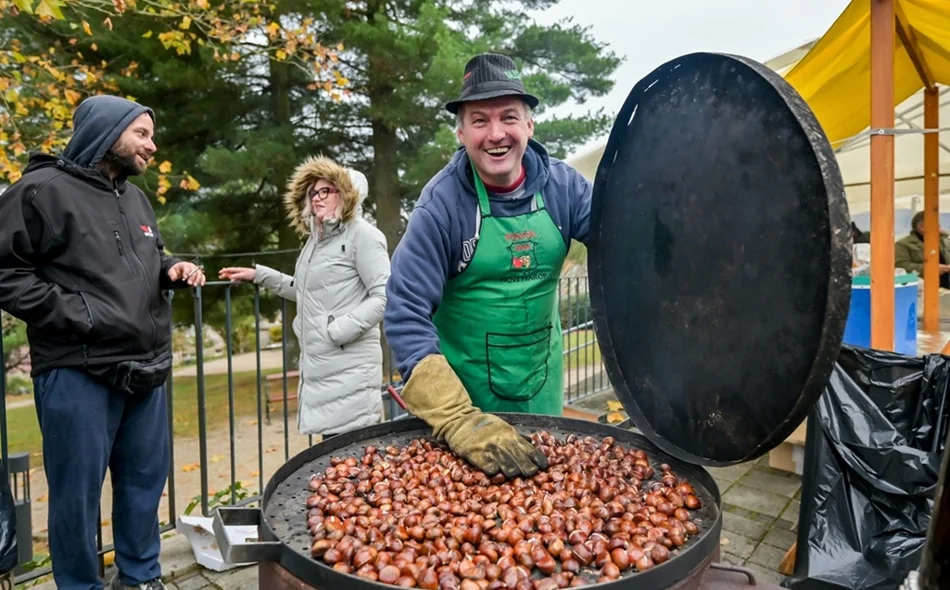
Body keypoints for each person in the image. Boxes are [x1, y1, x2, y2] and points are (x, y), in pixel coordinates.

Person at [0, 95, 205, 590]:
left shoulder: (135, 198)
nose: (151, 146)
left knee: (142, 486)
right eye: (141, 134)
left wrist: (170, 269)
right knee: (76, 497)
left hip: (145, 368)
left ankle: (139, 578)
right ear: (105, 131)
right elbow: (7, 274)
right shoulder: (38, 192)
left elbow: (143, 262)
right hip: (77, 371)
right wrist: (82, 313)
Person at [384, 53, 592, 479]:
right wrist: (460, 421)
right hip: (464, 417)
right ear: (461, 133)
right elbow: (404, 312)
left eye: (509, 118)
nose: (496, 134)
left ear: (529, 125)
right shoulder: (441, 206)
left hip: (542, 392)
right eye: (479, 121)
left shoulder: (565, 187)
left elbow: (627, 248)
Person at [219, 156, 390, 436]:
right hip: (322, 367)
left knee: (353, 457)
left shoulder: (363, 236)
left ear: (345, 194)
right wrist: (259, 275)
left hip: (350, 364)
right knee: (334, 460)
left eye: (325, 191)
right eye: (312, 193)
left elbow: (385, 295)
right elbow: (305, 291)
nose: (317, 199)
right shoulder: (316, 242)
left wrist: (337, 330)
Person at [896, 211, 950, 288]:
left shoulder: (943, 240)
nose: (939, 226)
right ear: (922, 227)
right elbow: (901, 266)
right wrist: (929, 269)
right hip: (925, 289)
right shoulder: (903, 244)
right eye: (935, 224)